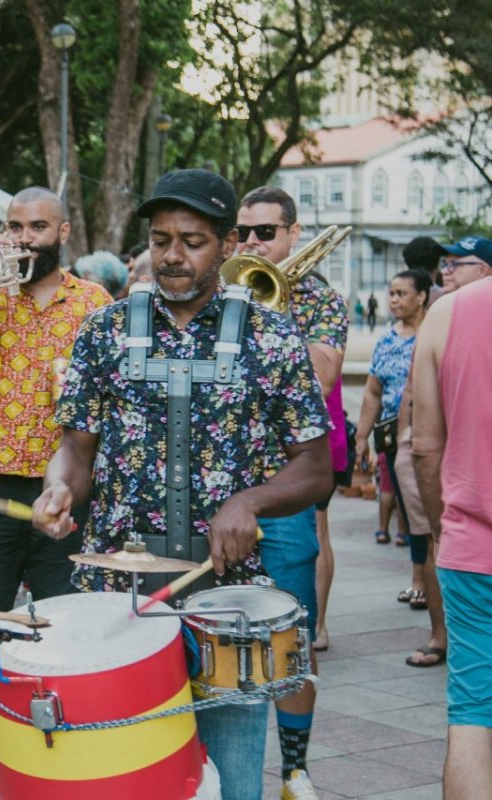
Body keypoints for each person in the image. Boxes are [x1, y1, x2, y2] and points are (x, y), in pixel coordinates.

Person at [33, 169, 332, 800]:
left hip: (227, 597)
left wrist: (248, 501)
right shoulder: (104, 331)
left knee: (233, 778)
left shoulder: (271, 334)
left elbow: (315, 464)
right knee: (123, 775)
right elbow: (74, 449)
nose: (172, 254)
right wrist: (58, 489)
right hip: (117, 589)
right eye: (162, 238)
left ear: (226, 245)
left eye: (192, 240)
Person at [0, 186, 112, 776]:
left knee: (64, 616)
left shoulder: (95, 300)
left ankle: (63, 716)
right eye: (14, 226)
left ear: (63, 233)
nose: (24, 237)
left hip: (68, 486)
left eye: (37, 227)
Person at [235, 185, 348, 797]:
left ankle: (296, 767)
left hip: (283, 490)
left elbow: (322, 376)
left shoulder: (321, 300)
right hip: (215, 489)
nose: (252, 243)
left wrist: (266, 317)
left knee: (291, 635)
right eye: (244, 233)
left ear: (293, 235)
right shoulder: (219, 292)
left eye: (265, 233)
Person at [410, 270, 492, 800]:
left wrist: (442, 527)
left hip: (471, 546)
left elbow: (424, 447)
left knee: (472, 711)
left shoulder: (447, 312)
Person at [354, 271, 430, 612]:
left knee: (432, 514)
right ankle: (418, 579)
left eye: (402, 293)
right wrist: (361, 438)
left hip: (429, 436)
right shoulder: (386, 339)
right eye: (391, 293)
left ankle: (434, 581)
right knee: (410, 513)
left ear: (423, 296)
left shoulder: (434, 334)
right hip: (393, 439)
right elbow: (373, 391)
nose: (394, 300)